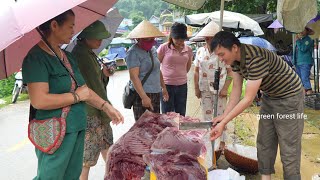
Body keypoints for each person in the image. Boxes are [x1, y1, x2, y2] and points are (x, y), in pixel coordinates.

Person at [22, 10, 123, 180]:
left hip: (77, 127)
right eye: (70, 26)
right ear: (54, 25)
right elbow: (39, 100)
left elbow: (85, 90)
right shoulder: (36, 58)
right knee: (51, 176)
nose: (73, 31)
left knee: (72, 175)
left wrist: (106, 107)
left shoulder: (67, 56)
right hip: (55, 131)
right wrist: (76, 97)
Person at [210, 31, 304, 180]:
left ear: (234, 47)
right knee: (265, 142)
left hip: (290, 97)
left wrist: (225, 122)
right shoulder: (234, 61)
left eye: (222, 54)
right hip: (270, 96)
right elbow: (236, 89)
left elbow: (248, 99)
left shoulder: (255, 58)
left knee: (288, 147)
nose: (221, 59)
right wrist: (224, 115)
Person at [71, 20, 114, 180]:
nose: (100, 41)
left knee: (107, 149)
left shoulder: (87, 52)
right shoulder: (82, 55)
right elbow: (93, 87)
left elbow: (96, 81)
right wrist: (107, 111)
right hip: (91, 112)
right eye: (97, 37)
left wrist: (104, 74)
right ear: (87, 37)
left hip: (96, 111)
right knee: (86, 159)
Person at [193, 22, 232, 150]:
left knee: (221, 116)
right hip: (205, 89)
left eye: (211, 37)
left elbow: (230, 72)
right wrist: (196, 89)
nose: (208, 40)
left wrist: (226, 88)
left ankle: (222, 142)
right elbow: (196, 71)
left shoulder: (222, 52)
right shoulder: (200, 51)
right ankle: (208, 142)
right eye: (207, 38)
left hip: (219, 89)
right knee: (207, 117)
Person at [125, 20, 169, 121]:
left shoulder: (153, 50)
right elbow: (134, 77)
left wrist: (164, 87)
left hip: (156, 92)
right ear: (138, 39)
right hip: (142, 94)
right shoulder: (133, 53)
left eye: (152, 39)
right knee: (143, 127)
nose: (150, 42)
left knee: (156, 125)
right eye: (147, 40)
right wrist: (144, 97)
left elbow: (157, 69)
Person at [157, 22, 193, 116]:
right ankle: (168, 131)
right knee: (167, 114)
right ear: (171, 36)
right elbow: (156, 67)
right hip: (167, 86)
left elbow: (188, 66)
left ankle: (178, 131)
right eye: (176, 38)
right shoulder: (163, 48)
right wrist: (163, 87)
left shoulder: (188, 50)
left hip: (182, 86)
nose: (179, 41)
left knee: (181, 113)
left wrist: (180, 76)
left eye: (182, 39)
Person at [294, 27, 314, 95]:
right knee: (300, 79)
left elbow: (303, 49)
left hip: (305, 62)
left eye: (303, 29)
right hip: (298, 62)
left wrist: (297, 41)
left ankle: (309, 93)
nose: (301, 31)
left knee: (304, 78)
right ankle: (304, 94)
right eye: (300, 29)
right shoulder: (300, 40)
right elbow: (295, 52)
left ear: (307, 31)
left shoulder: (308, 40)